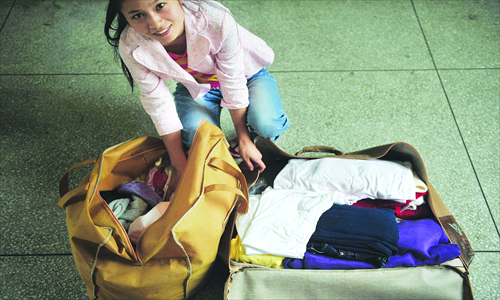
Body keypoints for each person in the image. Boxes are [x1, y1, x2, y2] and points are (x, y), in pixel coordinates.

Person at [105, 0, 289, 196]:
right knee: (196, 141)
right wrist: (178, 164)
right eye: (138, 15)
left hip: (247, 76)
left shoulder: (216, 18)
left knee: (267, 124)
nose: (155, 23)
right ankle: (238, 143)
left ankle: (250, 140)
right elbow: (157, 102)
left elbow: (233, 80)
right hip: (197, 86)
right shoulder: (130, 44)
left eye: (159, 6)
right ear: (126, 18)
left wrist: (244, 137)